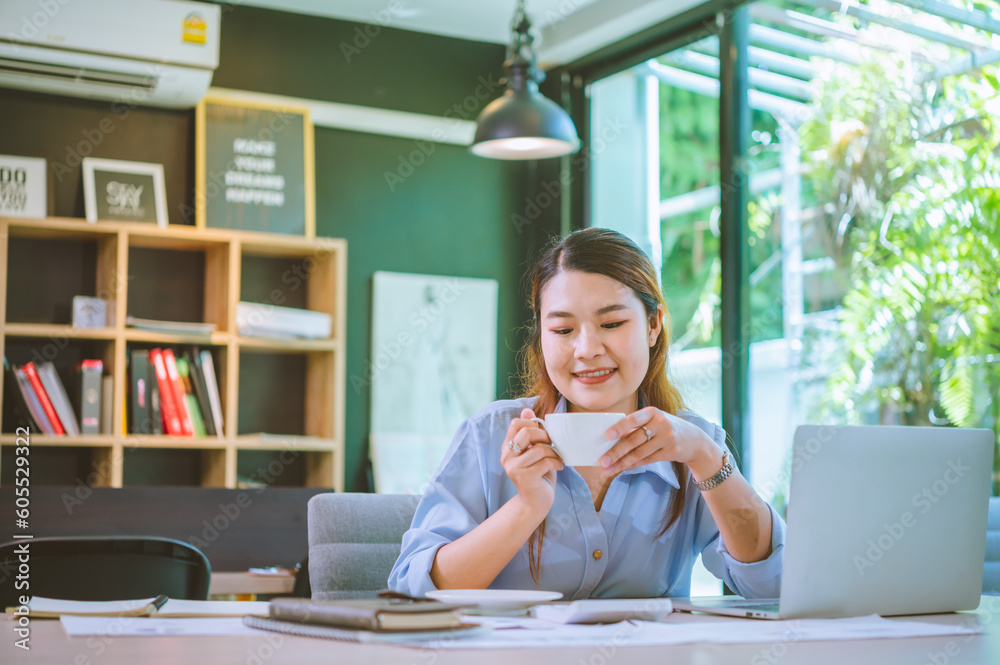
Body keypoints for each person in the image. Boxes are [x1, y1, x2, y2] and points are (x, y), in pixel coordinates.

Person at [388, 228, 784, 599]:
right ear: (541, 335)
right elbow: (414, 591)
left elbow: (772, 584)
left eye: (611, 323)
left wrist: (707, 457)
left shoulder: (693, 446)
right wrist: (526, 507)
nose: (586, 349)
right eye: (562, 331)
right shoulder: (488, 436)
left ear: (653, 325)